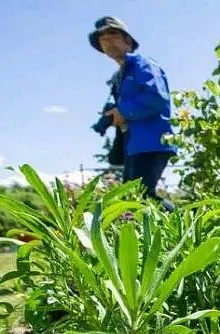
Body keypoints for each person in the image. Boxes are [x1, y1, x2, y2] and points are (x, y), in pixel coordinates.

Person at [89, 16, 176, 211]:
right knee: (131, 198)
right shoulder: (120, 76)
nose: (106, 40)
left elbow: (157, 98)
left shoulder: (143, 65)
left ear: (127, 40)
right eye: (101, 37)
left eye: (112, 34)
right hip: (134, 144)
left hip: (152, 141)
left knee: (142, 196)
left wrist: (123, 111)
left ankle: (190, 228)